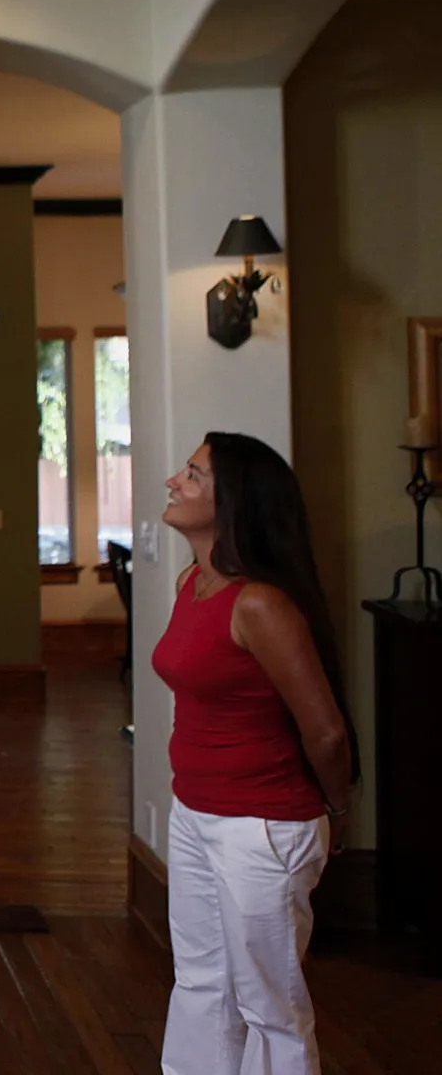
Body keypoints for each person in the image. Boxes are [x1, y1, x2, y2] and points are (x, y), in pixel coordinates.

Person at [152, 432, 357, 1075]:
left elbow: (325, 732)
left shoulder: (260, 603)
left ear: (234, 500)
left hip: (263, 825)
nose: (174, 481)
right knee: (202, 984)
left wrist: (338, 812)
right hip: (196, 815)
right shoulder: (194, 583)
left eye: (194, 473)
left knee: (270, 1004)